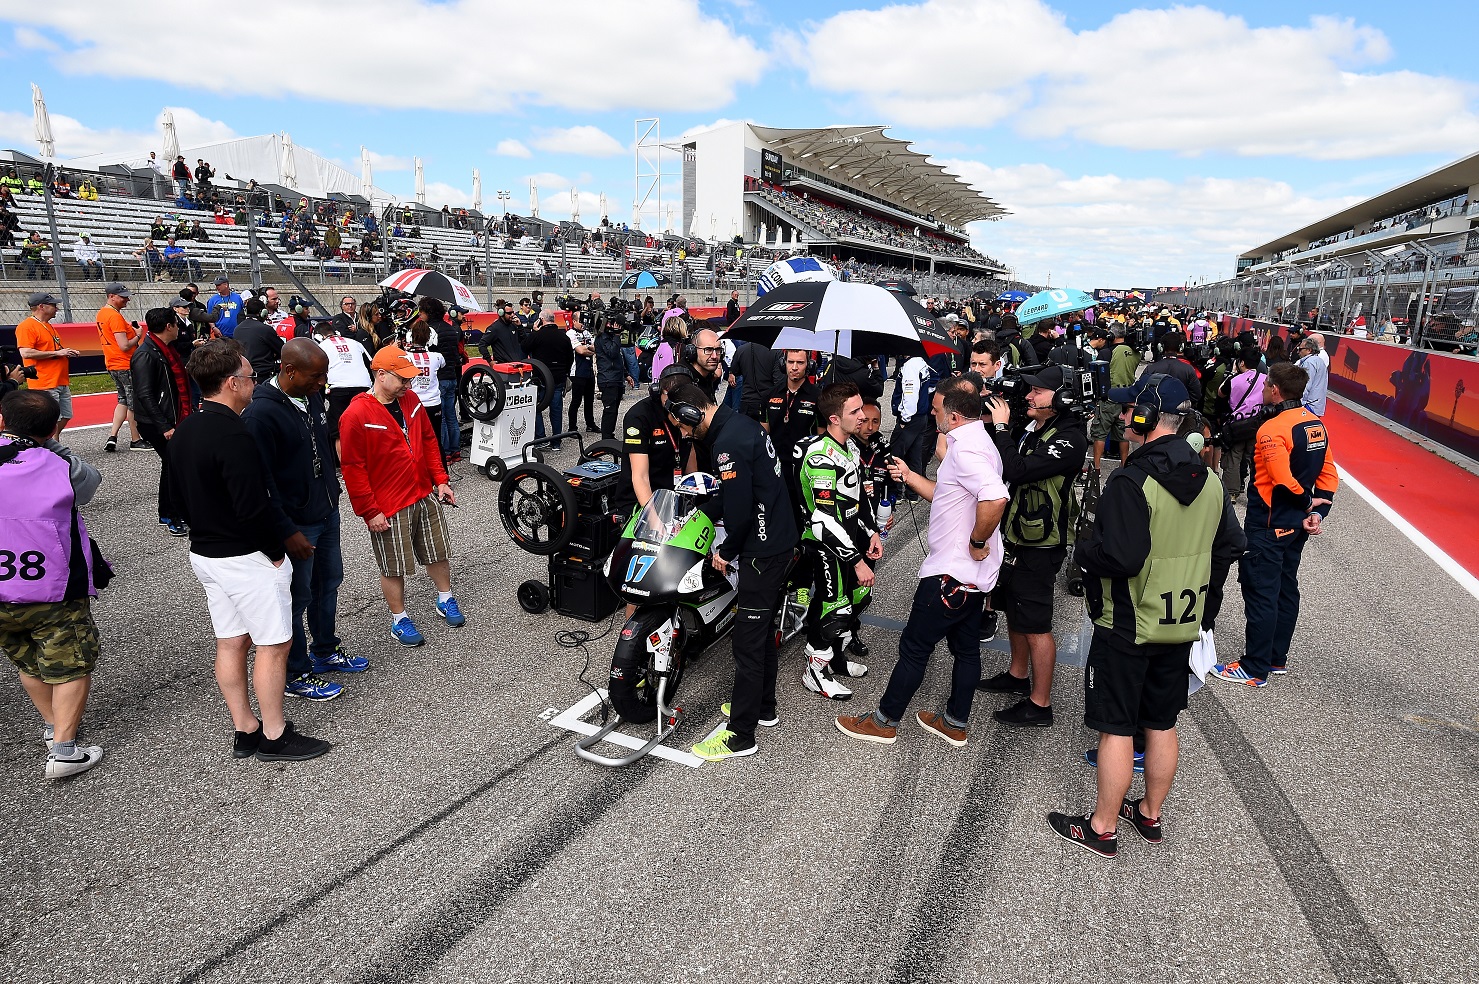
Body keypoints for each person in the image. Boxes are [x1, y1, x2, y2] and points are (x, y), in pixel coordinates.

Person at [1051, 374, 1242, 857]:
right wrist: (1205, 606)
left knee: (1116, 726)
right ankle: (1150, 814)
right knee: (1162, 721)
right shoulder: (1212, 482)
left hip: (1126, 622)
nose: (1123, 415)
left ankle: (1102, 828)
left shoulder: (1130, 480)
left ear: (1147, 417)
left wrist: (1084, 553)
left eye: (1130, 408)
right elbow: (1229, 547)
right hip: (1181, 622)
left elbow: (1121, 557)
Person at [168, 340, 332, 762]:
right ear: (231, 382)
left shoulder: (186, 428)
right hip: (246, 556)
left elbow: (171, 501)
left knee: (231, 641)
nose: (254, 383)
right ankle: (275, 733)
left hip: (206, 553)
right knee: (274, 644)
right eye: (249, 376)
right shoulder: (235, 434)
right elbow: (253, 505)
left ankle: (245, 727)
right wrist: (275, 552)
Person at [836, 375, 1010, 747]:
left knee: (914, 649)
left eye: (936, 410)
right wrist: (910, 476)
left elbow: (995, 498)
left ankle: (884, 721)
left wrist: (977, 540)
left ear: (954, 416)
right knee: (966, 650)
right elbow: (949, 495)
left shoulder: (965, 451)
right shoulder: (979, 441)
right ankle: (955, 722)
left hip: (950, 575)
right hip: (972, 577)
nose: (932, 415)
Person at [664, 382, 797, 762]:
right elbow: (731, 493)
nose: (684, 434)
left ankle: (740, 735)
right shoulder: (741, 424)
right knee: (763, 631)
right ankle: (763, 707)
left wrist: (726, 551)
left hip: (761, 552)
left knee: (747, 642)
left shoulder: (727, 445)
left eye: (683, 426)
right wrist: (698, 514)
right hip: (778, 541)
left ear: (692, 413)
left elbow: (738, 511)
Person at [243, 339, 363, 703]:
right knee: (296, 597)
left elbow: (322, 448)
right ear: (289, 371)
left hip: (326, 510)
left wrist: (333, 493)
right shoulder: (260, 414)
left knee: (329, 584)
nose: (323, 383)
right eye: (316, 375)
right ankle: (295, 672)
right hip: (297, 524)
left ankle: (325, 649)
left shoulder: (311, 397)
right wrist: (287, 530)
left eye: (325, 375)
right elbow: (260, 483)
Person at [0, 390, 109, 779]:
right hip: (52, 586)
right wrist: (51, 445)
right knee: (71, 663)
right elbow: (91, 482)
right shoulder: (59, 466)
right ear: (51, 430)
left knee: (26, 657)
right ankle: (64, 750)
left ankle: (52, 725)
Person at [978, 365, 1089, 728]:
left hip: (1042, 543)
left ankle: (1040, 704)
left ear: (1063, 397)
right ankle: (1017, 674)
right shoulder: (1034, 425)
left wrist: (1000, 428)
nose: (1029, 395)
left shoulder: (1070, 438)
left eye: (1038, 391)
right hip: (1017, 534)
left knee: (1036, 623)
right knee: (1014, 609)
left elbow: (1019, 469)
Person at [1217, 362, 1337, 687]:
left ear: (1275, 390)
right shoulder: (1315, 424)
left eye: (1266, 385)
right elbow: (1328, 473)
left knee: (1261, 591)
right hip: (1296, 525)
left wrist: (1307, 504)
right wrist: (1317, 512)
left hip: (1269, 522)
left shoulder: (1271, 429)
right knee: (1285, 587)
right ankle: (1275, 658)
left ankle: (1254, 668)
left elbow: (1282, 480)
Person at [338, 347, 464, 647]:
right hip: (389, 503)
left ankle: (445, 598)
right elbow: (353, 467)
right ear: (381, 375)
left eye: (410, 379)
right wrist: (369, 511)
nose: (409, 384)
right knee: (393, 565)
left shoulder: (411, 400)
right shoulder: (355, 414)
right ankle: (399, 619)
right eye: (402, 379)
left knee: (437, 551)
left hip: (422, 492)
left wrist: (441, 480)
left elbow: (429, 441)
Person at [793, 382, 882, 701]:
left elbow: (855, 499)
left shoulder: (850, 446)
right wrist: (857, 562)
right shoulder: (820, 457)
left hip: (849, 537)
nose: (863, 417)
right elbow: (824, 518)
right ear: (834, 418)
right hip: (825, 543)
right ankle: (815, 672)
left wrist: (871, 531)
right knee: (836, 609)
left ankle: (835, 658)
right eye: (855, 411)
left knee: (857, 597)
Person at [131, 308, 192, 534]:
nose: (179, 328)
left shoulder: (166, 349)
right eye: (176, 324)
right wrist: (164, 426)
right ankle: (169, 514)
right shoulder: (146, 354)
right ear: (169, 326)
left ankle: (175, 511)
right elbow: (144, 394)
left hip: (173, 416)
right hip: (157, 422)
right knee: (173, 465)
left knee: (175, 465)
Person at [16, 292, 78, 439]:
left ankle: (48, 443)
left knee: (66, 415)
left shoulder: (47, 325)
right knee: (50, 419)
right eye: (53, 305)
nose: (57, 309)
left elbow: (51, 349)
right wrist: (57, 353)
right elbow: (26, 352)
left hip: (59, 379)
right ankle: (52, 446)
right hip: (44, 381)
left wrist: (65, 352)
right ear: (41, 306)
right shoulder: (27, 326)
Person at [96, 283, 148, 452]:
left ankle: (113, 436)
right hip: (124, 363)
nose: (127, 299)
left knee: (123, 399)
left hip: (112, 362)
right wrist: (138, 335)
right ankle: (135, 439)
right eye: (123, 297)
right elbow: (124, 345)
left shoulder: (103, 313)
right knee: (133, 402)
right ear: (112, 296)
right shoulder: (114, 316)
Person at [1218, 346, 1265, 502]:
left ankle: (1231, 492)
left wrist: (1232, 373)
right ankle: (1257, 492)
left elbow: (1221, 393)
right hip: (1257, 424)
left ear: (1242, 362)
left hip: (1237, 425)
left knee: (1234, 458)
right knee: (1256, 460)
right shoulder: (1266, 379)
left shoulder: (1234, 380)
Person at [1092, 324, 1140, 471]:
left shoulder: (1106, 353)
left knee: (1100, 433)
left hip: (1109, 397)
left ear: (1111, 336)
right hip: (1127, 397)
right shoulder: (1135, 353)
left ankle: (1097, 467)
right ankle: (1124, 464)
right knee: (1123, 434)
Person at [424, 298, 465, 461]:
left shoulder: (430, 330)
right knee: (451, 415)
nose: (420, 315)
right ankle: (455, 450)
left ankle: (445, 451)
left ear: (428, 312)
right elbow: (455, 354)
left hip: (439, 377)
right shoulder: (450, 328)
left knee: (441, 417)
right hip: (451, 375)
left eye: (422, 312)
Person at [888, 350, 935, 493]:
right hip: (921, 416)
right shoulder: (921, 362)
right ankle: (913, 493)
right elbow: (932, 383)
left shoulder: (911, 365)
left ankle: (895, 492)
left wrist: (904, 418)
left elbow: (910, 395)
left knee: (895, 455)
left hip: (911, 418)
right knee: (915, 455)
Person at [764, 350, 820, 467]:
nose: (794, 367)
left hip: (805, 464)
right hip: (774, 463)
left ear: (809, 365)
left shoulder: (818, 397)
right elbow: (763, 433)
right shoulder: (769, 394)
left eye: (800, 362)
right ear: (783, 364)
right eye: (790, 362)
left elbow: (822, 436)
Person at [528, 310, 574, 450]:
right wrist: (565, 371)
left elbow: (524, 347)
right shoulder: (563, 336)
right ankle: (556, 441)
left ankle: (541, 438)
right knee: (556, 410)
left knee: (536, 407)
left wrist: (534, 331)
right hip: (558, 377)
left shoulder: (538, 335)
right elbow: (570, 358)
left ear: (541, 320)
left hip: (541, 377)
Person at [404, 321, 447, 461]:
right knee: (436, 441)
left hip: (414, 404)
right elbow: (442, 364)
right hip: (433, 403)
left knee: (415, 441)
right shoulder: (437, 356)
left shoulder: (406, 357)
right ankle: (442, 471)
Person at [594, 316, 631, 440]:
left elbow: (618, 358)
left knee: (614, 410)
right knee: (609, 410)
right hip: (608, 379)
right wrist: (617, 335)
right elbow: (612, 352)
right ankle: (606, 438)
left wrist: (626, 374)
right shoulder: (603, 338)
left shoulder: (611, 337)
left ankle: (609, 434)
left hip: (616, 378)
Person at [1143, 332, 1202, 408]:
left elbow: (1141, 391)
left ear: (1160, 347)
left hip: (1156, 410)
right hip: (1180, 411)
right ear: (1181, 347)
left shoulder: (1150, 368)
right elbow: (1196, 394)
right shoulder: (1188, 369)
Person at [234, 297, 285, 383]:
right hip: (263, 376)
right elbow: (282, 349)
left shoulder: (237, 329)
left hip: (244, 375)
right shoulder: (265, 329)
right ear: (263, 312)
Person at [730, 336, 777, 422]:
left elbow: (735, 370)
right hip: (768, 402)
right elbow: (779, 380)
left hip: (747, 402)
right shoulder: (776, 351)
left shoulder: (741, 349)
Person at [567, 314, 597, 434]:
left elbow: (596, 348)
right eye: (581, 321)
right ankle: (572, 428)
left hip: (589, 371)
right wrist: (589, 349)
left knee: (590, 400)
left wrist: (587, 349)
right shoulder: (570, 334)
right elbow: (580, 351)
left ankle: (590, 424)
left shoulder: (587, 333)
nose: (583, 323)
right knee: (576, 401)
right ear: (574, 321)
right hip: (577, 372)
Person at [1296, 335, 1329, 415]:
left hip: (1309, 405)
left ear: (1309, 350)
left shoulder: (1309, 363)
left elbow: (1306, 384)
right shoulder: (1318, 361)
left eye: (1300, 349)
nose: (1298, 352)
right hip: (1316, 405)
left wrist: (1300, 404)